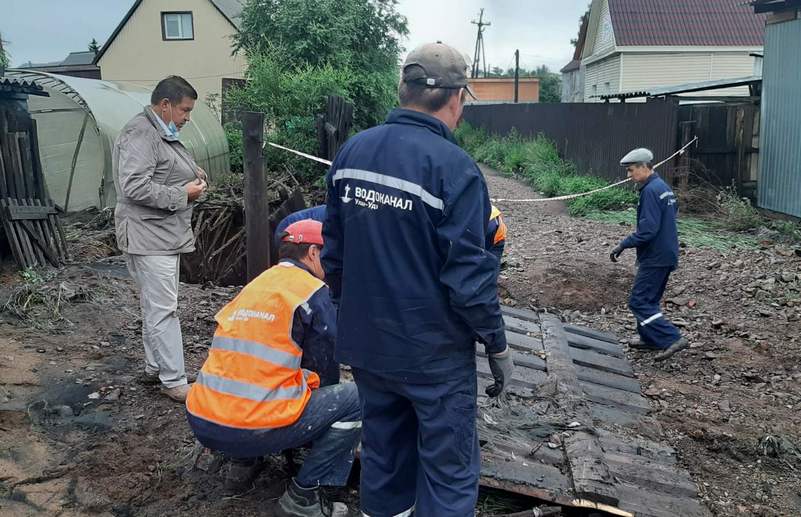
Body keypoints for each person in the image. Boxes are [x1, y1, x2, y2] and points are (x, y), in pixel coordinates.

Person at [322, 42, 513, 517]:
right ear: (457, 99)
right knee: (448, 472)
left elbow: (334, 254)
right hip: (433, 355)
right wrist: (497, 343)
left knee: (385, 456)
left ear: (401, 88)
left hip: (370, 347)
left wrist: (355, 316)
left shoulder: (352, 153)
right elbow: (469, 279)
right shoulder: (455, 169)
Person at [186, 220, 360, 517]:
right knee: (358, 398)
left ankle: (242, 466)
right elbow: (326, 370)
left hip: (203, 419)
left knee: (262, 384)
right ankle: (306, 495)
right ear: (314, 253)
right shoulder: (311, 291)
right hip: (250, 427)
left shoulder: (257, 285)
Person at [113, 75, 208, 402]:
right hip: (148, 235)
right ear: (164, 105)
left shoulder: (159, 131)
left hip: (160, 234)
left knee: (155, 305)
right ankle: (174, 380)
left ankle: (156, 367)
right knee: (164, 309)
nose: (187, 118)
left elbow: (163, 168)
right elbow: (134, 186)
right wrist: (182, 194)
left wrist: (193, 172)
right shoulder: (141, 133)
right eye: (184, 110)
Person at [610, 148, 688, 361]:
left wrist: (623, 244)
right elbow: (673, 215)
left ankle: (671, 338)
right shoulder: (663, 187)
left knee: (639, 302)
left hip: (656, 256)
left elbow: (648, 230)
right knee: (650, 299)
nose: (629, 175)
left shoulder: (650, 191)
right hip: (667, 253)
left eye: (631, 170)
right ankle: (649, 338)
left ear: (645, 167)